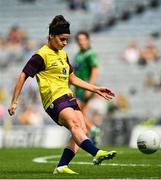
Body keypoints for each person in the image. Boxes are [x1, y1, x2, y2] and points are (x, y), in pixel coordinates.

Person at [8, 15, 116, 175]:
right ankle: (96, 152)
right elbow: (23, 75)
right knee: (75, 124)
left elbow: (72, 78)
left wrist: (96, 89)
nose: (65, 43)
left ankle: (61, 166)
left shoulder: (63, 54)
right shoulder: (41, 55)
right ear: (51, 36)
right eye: (62, 39)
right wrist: (14, 101)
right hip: (53, 99)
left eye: (67, 40)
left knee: (82, 128)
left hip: (68, 96)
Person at [73, 31, 100, 144]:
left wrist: (91, 87)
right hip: (78, 88)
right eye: (79, 40)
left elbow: (95, 70)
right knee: (81, 113)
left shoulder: (90, 54)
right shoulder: (78, 55)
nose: (81, 42)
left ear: (88, 40)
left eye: (83, 39)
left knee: (75, 111)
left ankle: (92, 130)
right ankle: (89, 134)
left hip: (85, 88)